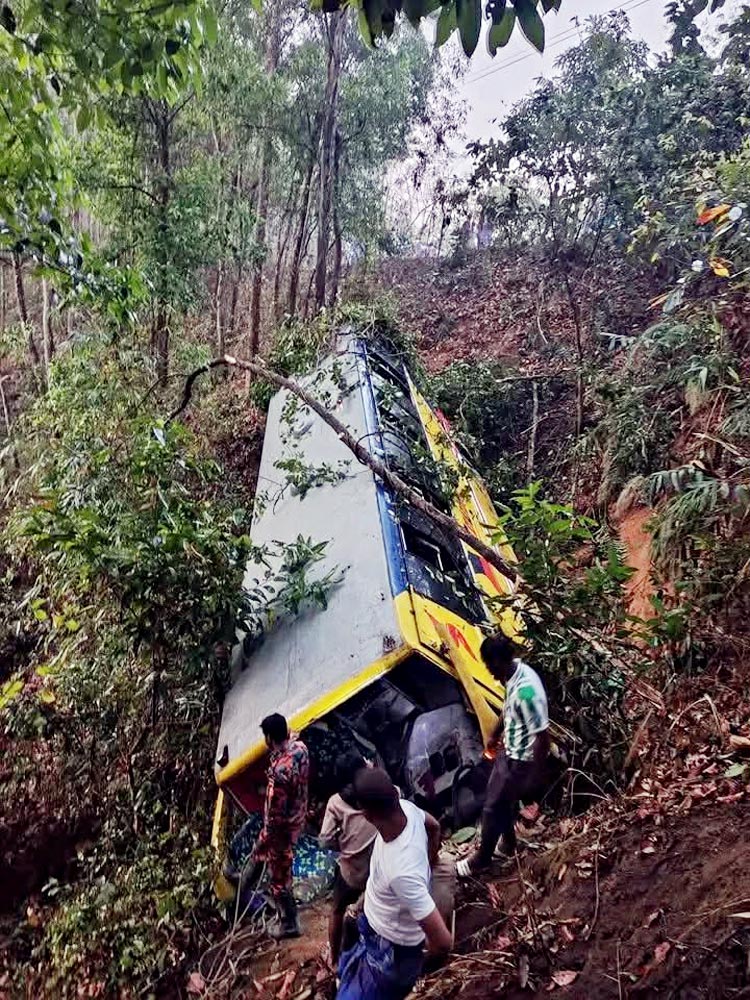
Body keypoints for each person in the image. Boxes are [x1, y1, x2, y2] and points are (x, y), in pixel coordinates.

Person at [336, 768, 452, 1000]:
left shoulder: (402, 874)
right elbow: (434, 827)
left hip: (391, 952)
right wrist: (428, 864)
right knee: (348, 957)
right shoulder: (407, 809)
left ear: (366, 815)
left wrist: (418, 969)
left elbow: (443, 943)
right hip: (374, 925)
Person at [457, 632, 549, 877]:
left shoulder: (527, 692)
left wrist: (535, 775)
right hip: (508, 750)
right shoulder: (513, 675)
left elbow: (542, 737)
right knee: (500, 800)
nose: (490, 672)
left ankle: (482, 859)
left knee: (491, 808)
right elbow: (508, 707)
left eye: (490, 667)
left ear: (499, 661)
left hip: (520, 760)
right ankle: (508, 844)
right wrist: (495, 734)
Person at [253, 713, 310, 938]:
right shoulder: (300, 749)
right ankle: (286, 917)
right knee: (282, 869)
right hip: (298, 816)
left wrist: (262, 841)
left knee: (279, 877)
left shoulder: (279, 774)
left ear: (269, 737)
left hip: (283, 831)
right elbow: (293, 739)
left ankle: (289, 925)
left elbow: (274, 818)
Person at [319, 751, 376, 966]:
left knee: (337, 910)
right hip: (378, 867)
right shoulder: (375, 789)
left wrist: (342, 845)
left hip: (352, 872)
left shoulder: (335, 803)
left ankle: (334, 958)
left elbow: (324, 841)